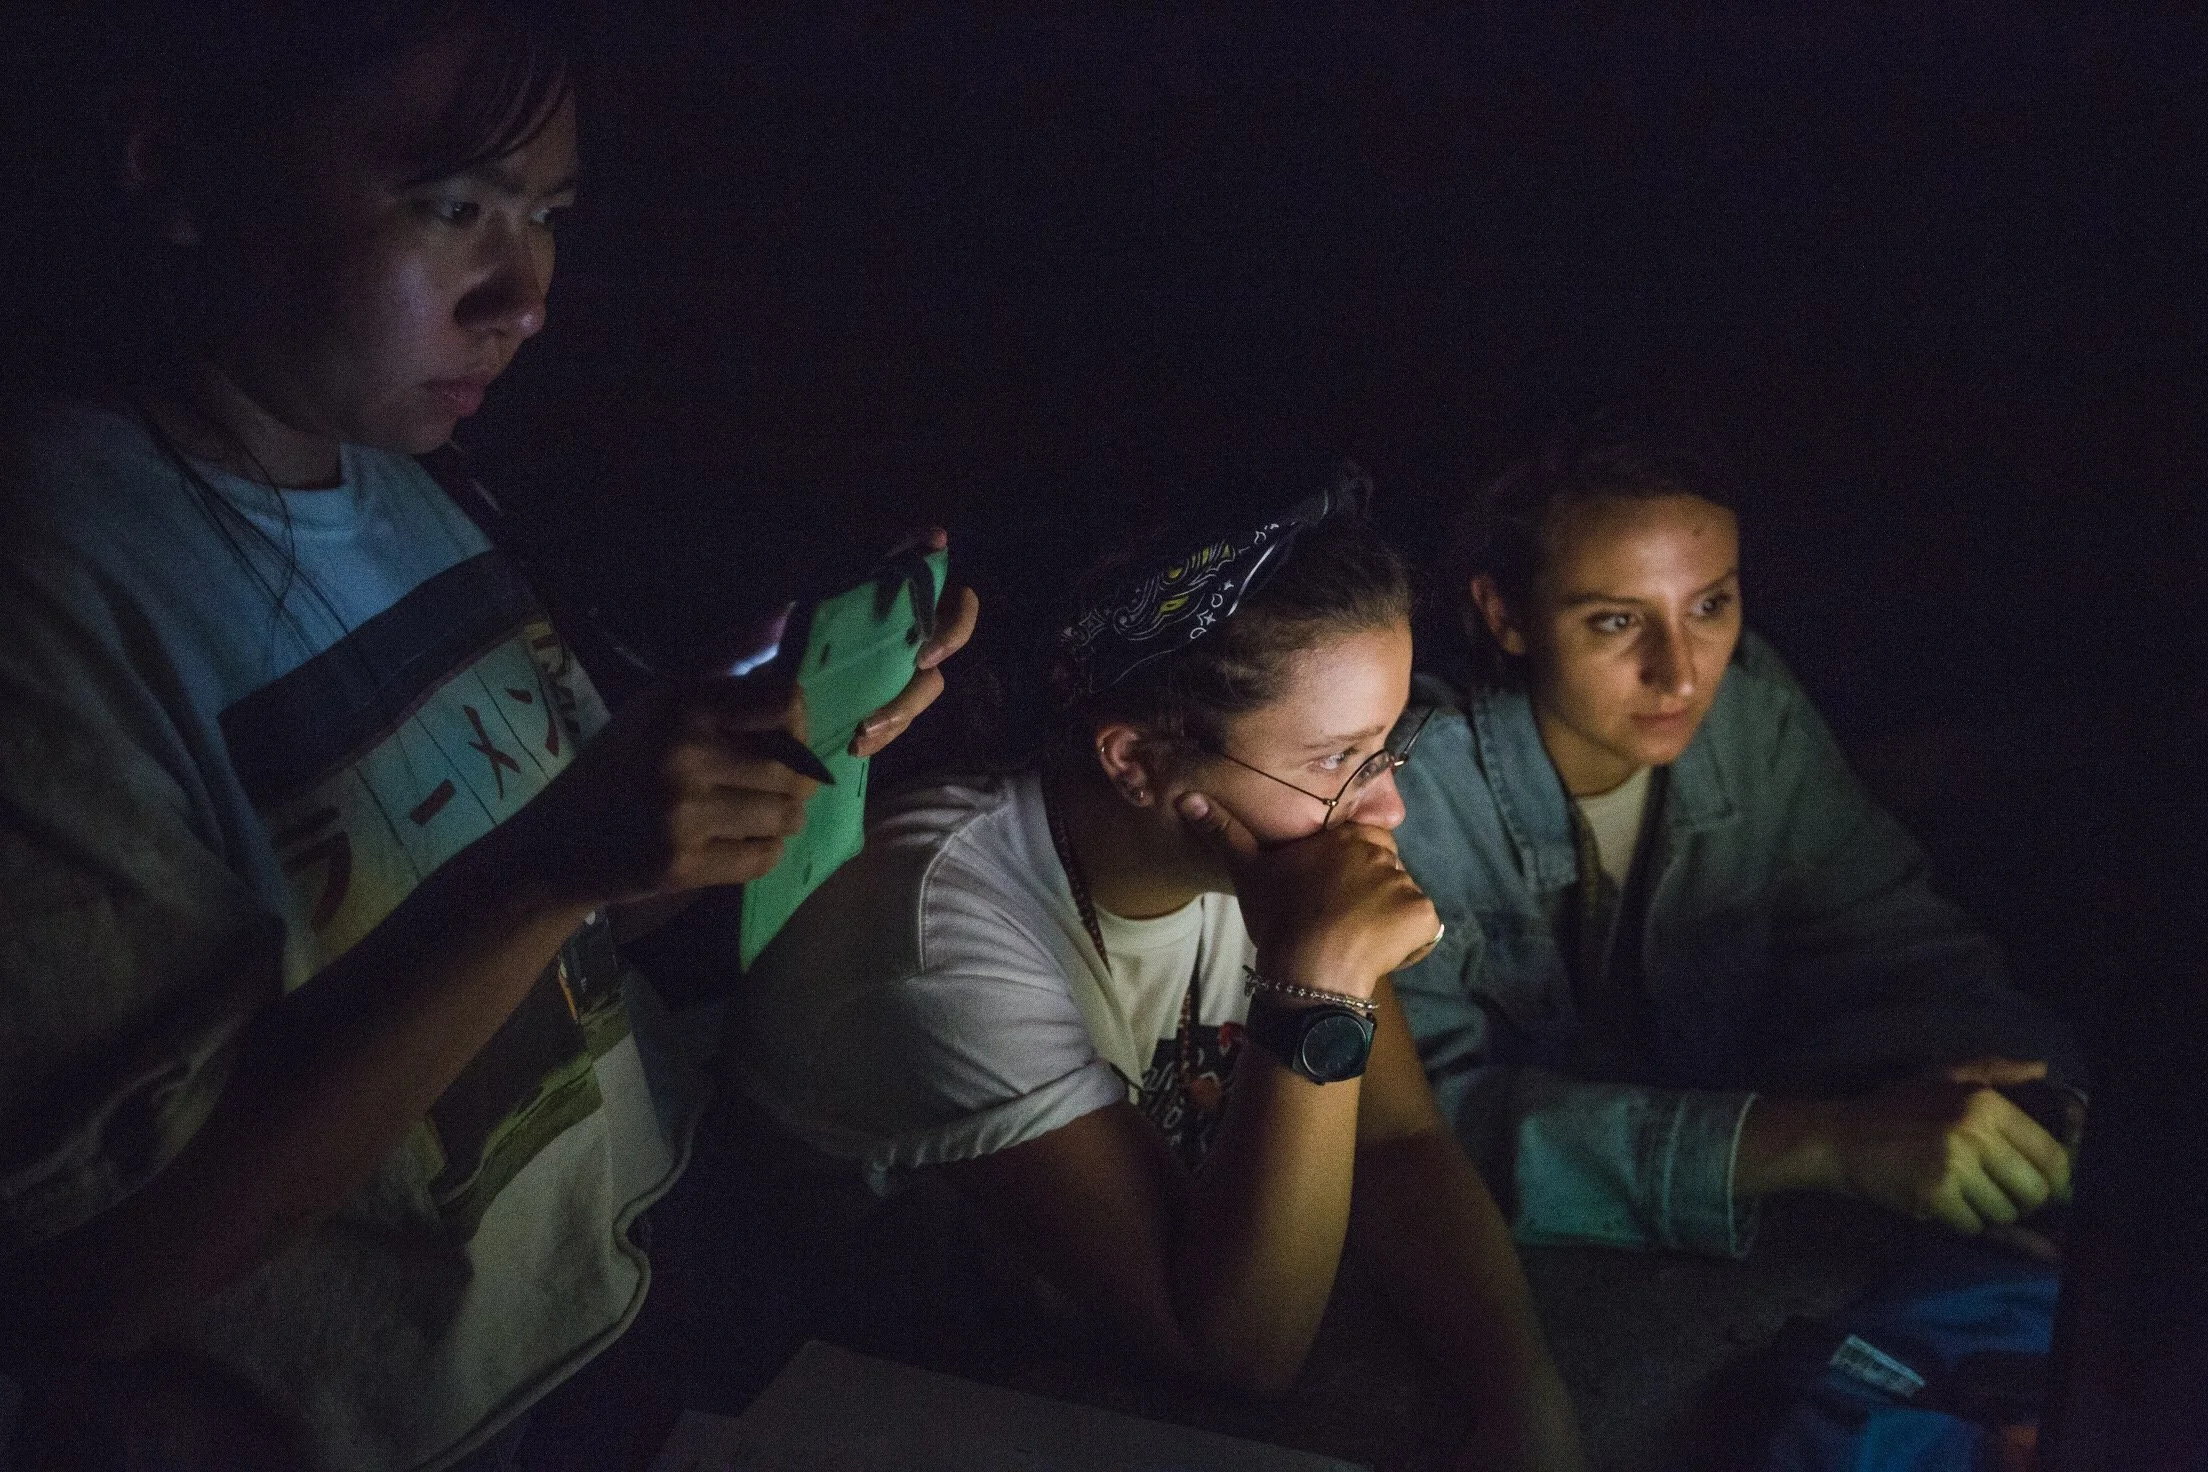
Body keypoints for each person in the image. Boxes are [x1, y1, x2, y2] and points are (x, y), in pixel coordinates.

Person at [0, 4, 976, 1468]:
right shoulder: (56, 571)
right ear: (180, 171)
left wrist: (780, 740)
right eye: (452, 204)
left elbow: (596, 923)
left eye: (548, 216)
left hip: (649, 1308)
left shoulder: (406, 484)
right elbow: (103, 1263)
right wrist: (548, 866)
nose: (522, 294)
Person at [737, 472, 1587, 1472]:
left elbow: (1397, 1142)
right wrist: (1315, 985)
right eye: (1336, 759)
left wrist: (1524, 1400)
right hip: (859, 1387)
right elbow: (1237, 1347)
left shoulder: (1262, 854)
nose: (1387, 806)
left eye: (1389, 744)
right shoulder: (934, 931)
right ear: (1137, 760)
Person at [1389, 432, 2080, 1263]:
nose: (1681, 675)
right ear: (1505, 616)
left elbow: (1907, 954)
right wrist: (1823, 1143)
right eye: (1616, 621)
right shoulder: (1408, 788)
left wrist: (2021, 1103)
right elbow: (1419, 1132)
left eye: (1710, 606)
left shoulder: (1752, 717)